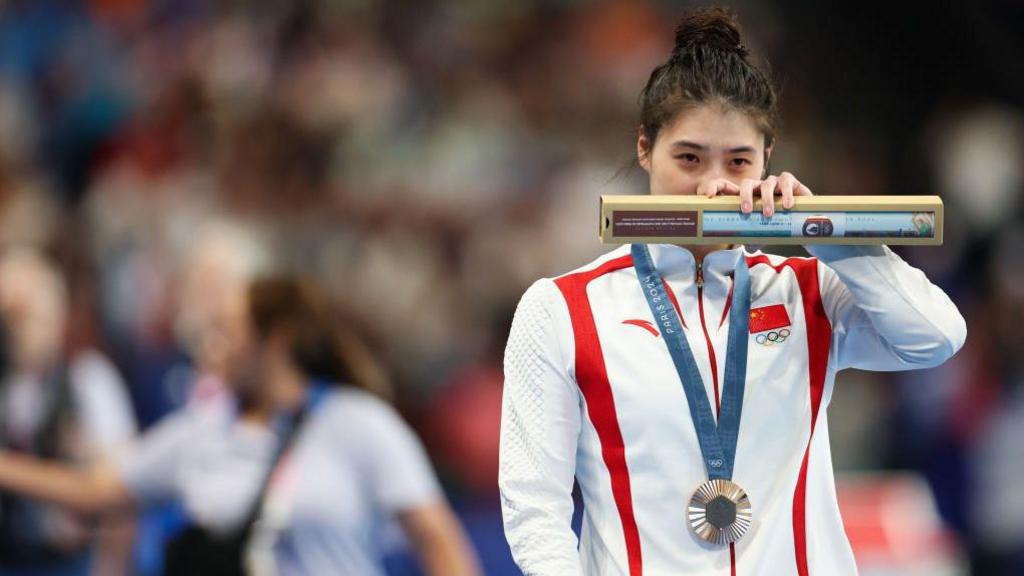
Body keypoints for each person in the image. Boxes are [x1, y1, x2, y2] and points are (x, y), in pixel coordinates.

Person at [498, 7, 967, 576]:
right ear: (645, 148)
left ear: (768, 162)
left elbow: (937, 338)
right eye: (689, 158)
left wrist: (825, 236)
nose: (714, 184)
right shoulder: (563, 310)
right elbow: (534, 510)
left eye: (739, 161)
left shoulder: (809, 289)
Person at [0, 274, 481, 576]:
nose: (212, 348)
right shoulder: (202, 430)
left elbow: (437, 541)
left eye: (228, 333)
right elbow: (95, 490)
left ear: (275, 341)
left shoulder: (360, 424)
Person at [0, 248, 137, 576]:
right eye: (5, 317)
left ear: (57, 319)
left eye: (24, 316)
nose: (13, 332)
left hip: (68, 560)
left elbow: (122, 494)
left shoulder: (88, 379)